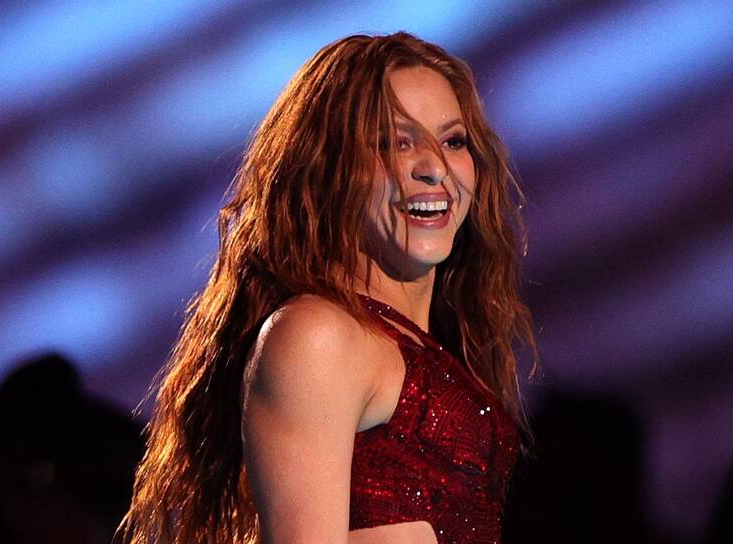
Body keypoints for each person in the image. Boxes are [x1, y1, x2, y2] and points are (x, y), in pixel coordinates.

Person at [121, 31, 536, 544]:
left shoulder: (422, 343)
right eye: (394, 143)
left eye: (453, 141)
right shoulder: (318, 336)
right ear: (330, 168)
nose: (435, 168)